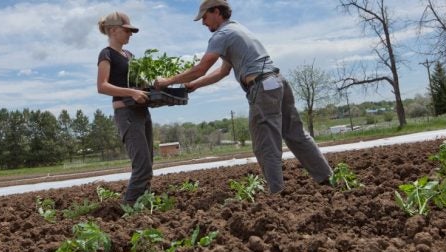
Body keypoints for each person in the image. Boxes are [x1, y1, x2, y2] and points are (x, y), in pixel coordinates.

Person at [155, 0, 333, 194]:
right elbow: (223, 71)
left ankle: (277, 193)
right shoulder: (238, 30)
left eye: (205, 17)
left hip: (262, 88)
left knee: (265, 144)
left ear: (216, 12)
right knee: (296, 135)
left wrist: (166, 81)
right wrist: (194, 85)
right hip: (278, 82)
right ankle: (326, 179)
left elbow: (201, 68)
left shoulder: (221, 35)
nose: (203, 23)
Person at [96, 11, 153, 203]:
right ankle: (128, 209)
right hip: (126, 114)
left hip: (142, 112)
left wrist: (154, 86)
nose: (130, 34)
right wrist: (132, 92)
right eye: (126, 30)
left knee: (148, 165)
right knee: (142, 166)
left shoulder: (130, 55)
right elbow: (102, 86)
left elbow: (139, 83)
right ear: (113, 30)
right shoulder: (107, 54)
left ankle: (142, 205)